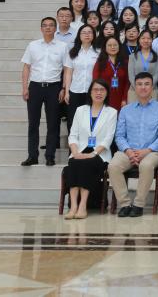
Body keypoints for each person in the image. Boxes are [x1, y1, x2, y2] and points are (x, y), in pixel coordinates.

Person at [108, 72, 158, 218]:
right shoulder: (125, 110)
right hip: (128, 151)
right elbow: (119, 136)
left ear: (152, 87)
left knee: (146, 165)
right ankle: (125, 204)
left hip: (152, 152)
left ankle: (138, 205)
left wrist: (146, 151)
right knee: (113, 166)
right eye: (140, 84)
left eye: (147, 84)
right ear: (135, 88)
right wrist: (129, 151)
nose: (143, 87)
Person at [63, 79, 118, 219]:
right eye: (95, 90)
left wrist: (93, 154)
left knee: (87, 163)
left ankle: (82, 206)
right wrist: (75, 152)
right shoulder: (80, 110)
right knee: (73, 162)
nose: (98, 93)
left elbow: (108, 139)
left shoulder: (112, 112)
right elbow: (73, 135)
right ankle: (73, 206)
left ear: (107, 93)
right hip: (80, 150)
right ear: (90, 92)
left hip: (100, 153)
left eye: (102, 90)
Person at [21, 17, 69, 167]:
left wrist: (64, 88)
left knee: (53, 123)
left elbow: (67, 69)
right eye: (45, 25)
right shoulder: (33, 45)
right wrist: (25, 87)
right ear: (41, 28)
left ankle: (50, 156)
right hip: (35, 87)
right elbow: (26, 67)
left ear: (55, 28)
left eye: (51, 25)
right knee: (33, 123)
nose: (48, 28)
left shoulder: (63, 46)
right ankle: (32, 156)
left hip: (54, 87)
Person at [63, 25, 99, 118]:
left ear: (94, 35)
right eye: (84, 32)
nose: (87, 35)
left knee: (90, 118)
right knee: (73, 118)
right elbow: (68, 73)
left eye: (90, 32)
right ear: (79, 35)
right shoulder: (73, 52)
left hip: (93, 91)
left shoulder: (98, 52)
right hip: (75, 90)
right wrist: (67, 92)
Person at [92, 36, 130, 111]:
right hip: (104, 97)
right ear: (105, 47)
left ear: (119, 46)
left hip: (120, 98)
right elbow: (95, 81)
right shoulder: (100, 63)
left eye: (115, 45)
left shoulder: (125, 62)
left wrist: (124, 99)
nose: (113, 47)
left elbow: (127, 82)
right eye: (109, 45)